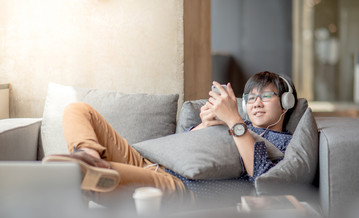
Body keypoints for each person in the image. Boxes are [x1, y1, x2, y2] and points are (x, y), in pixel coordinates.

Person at [43, 71, 297, 203]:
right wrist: (206, 125)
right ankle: (88, 156)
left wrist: (234, 121)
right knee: (77, 109)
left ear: (286, 102)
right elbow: (181, 147)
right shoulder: (228, 123)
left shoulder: (282, 142)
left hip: (178, 187)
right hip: (146, 160)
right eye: (251, 97)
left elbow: (263, 180)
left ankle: (90, 171)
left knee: (101, 177)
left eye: (266, 96)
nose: (256, 103)